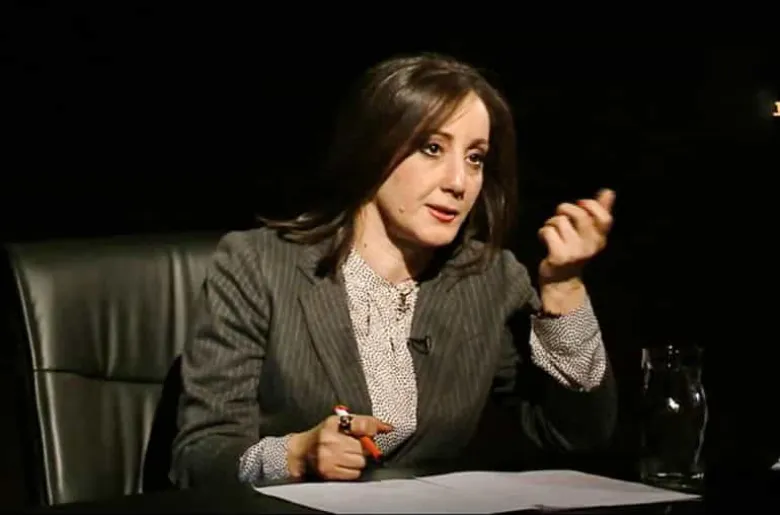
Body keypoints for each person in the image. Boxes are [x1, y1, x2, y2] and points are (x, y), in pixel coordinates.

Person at [170, 52, 618, 488]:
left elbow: (574, 435)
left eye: (475, 158)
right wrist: (295, 455)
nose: (458, 182)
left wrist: (564, 289)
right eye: (432, 148)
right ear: (375, 148)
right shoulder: (257, 265)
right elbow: (199, 457)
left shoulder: (490, 277)